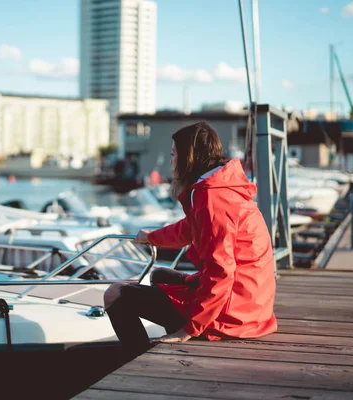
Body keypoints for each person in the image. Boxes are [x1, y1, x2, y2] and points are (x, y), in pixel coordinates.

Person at [103, 121, 277, 353]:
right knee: (160, 275)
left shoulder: (212, 199)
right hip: (251, 304)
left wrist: (189, 329)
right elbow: (189, 228)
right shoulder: (221, 186)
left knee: (114, 294)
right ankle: (165, 340)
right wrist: (153, 237)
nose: (172, 161)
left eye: (174, 154)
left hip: (232, 315)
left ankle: (140, 356)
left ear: (189, 157)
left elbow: (221, 272)